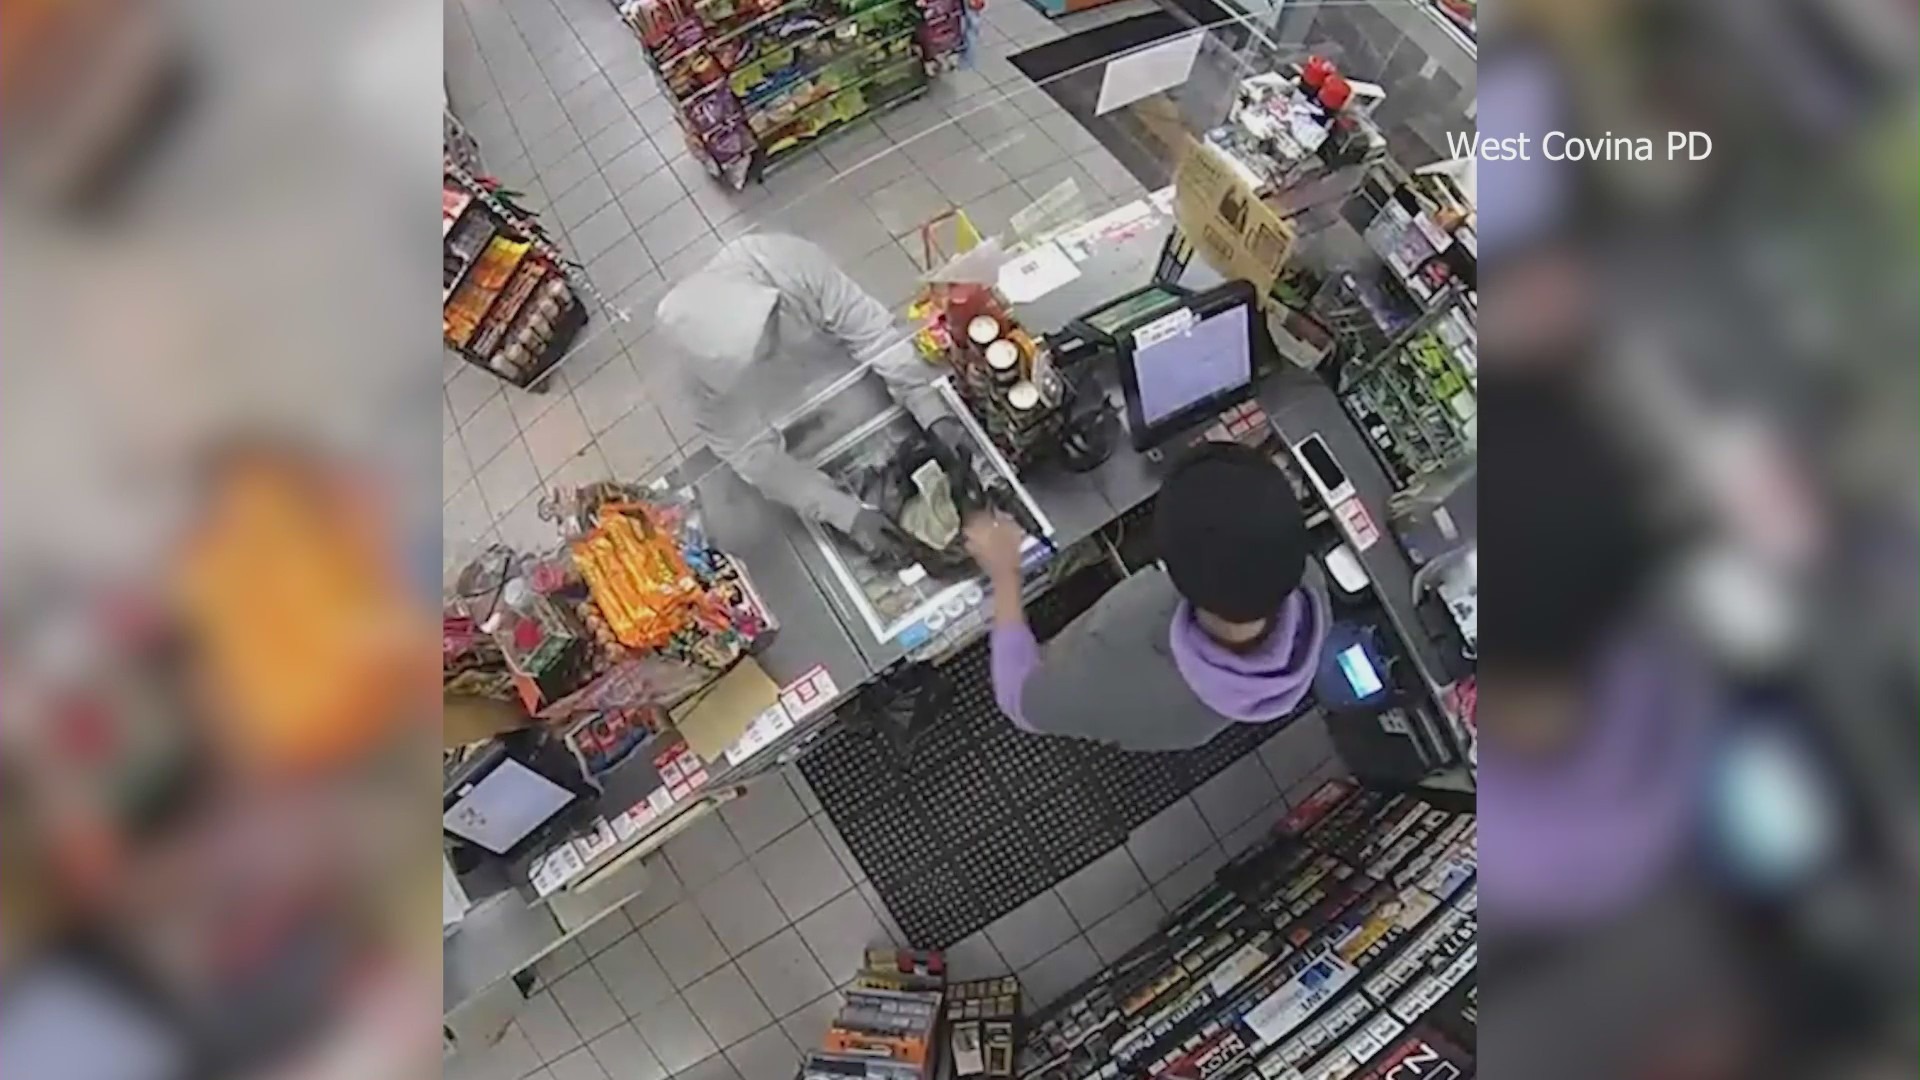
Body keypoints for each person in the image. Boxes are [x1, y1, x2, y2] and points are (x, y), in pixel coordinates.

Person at [964, 441, 1330, 751]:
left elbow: (1018, 698)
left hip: (1096, 680)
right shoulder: (1310, 590)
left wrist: (1005, 576)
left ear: (1169, 565)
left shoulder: (1119, 674)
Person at [655, 233, 966, 562]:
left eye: (771, 332)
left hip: (860, 379)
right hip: (793, 429)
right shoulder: (694, 382)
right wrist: (846, 514)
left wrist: (931, 409)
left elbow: (874, 337)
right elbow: (757, 458)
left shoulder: (782, 261)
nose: (774, 349)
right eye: (758, 358)